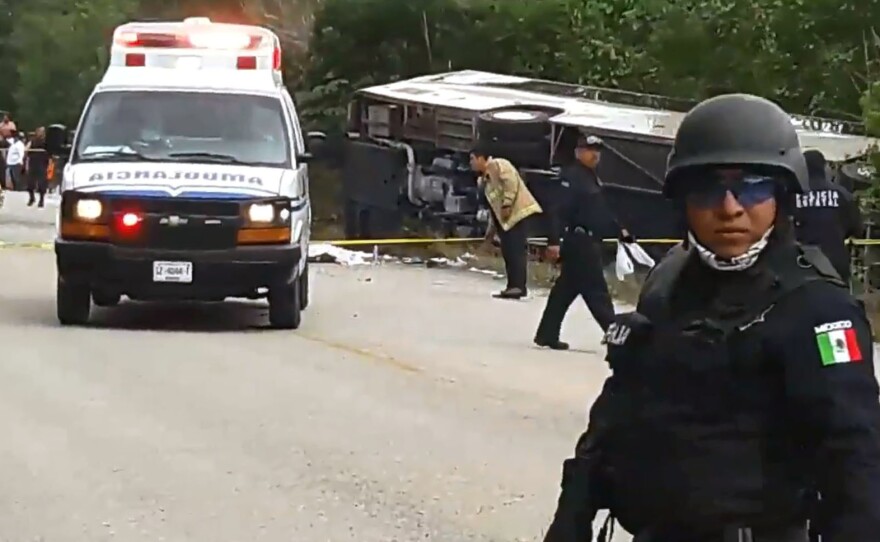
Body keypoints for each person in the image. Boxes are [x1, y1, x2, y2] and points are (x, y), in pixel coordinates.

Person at [542, 94, 880, 542]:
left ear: (781, 195)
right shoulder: (669, 282)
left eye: (752, 187)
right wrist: (574, 510)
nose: (729, 207)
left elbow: (855, 458)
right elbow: (621, 405)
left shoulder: (817, 307)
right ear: (683, 199)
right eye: (708, 188)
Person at [533, 135, 632, 349]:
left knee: (564, 291)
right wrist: (553, 241)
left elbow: (599, 210)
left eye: (598, 150)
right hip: (578, 241)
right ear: (578, 152)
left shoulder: (591, 178)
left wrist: (619, 229)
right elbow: (556, 211)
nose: (595, 155)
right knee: (597, 292)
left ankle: (547, 333)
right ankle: (618, 339)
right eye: (590, 150)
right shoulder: (571, 177)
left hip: (589, 238)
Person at [470, 143, 543, 299]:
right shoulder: (484, 181)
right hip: (505, 220)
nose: (471, 163)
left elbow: (511, 183)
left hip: (517, 213)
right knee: (508, 251)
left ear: (481, 158)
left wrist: (507, 204)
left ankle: (518, 286)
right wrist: (490, 232)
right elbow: (493, 207)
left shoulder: (498, 164)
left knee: (516, 251)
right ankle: (512, 286)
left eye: (472, 159)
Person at [793, 149, 863, 283]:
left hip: (800, 264)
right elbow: (857, 229)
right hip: (835, 264)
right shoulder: (842, 194)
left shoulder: (791, 194)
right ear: (824, 167)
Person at [25, 127, 50, 207]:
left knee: (41, 183)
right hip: (33, 164)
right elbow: (26, 149)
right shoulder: (32, 141)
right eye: (39, 131)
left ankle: (41, 200)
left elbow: (50, 153)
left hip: (42, 164)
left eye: (42, 132)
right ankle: (32, 198)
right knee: (30, 183)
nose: (40, 133)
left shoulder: (46, 142)